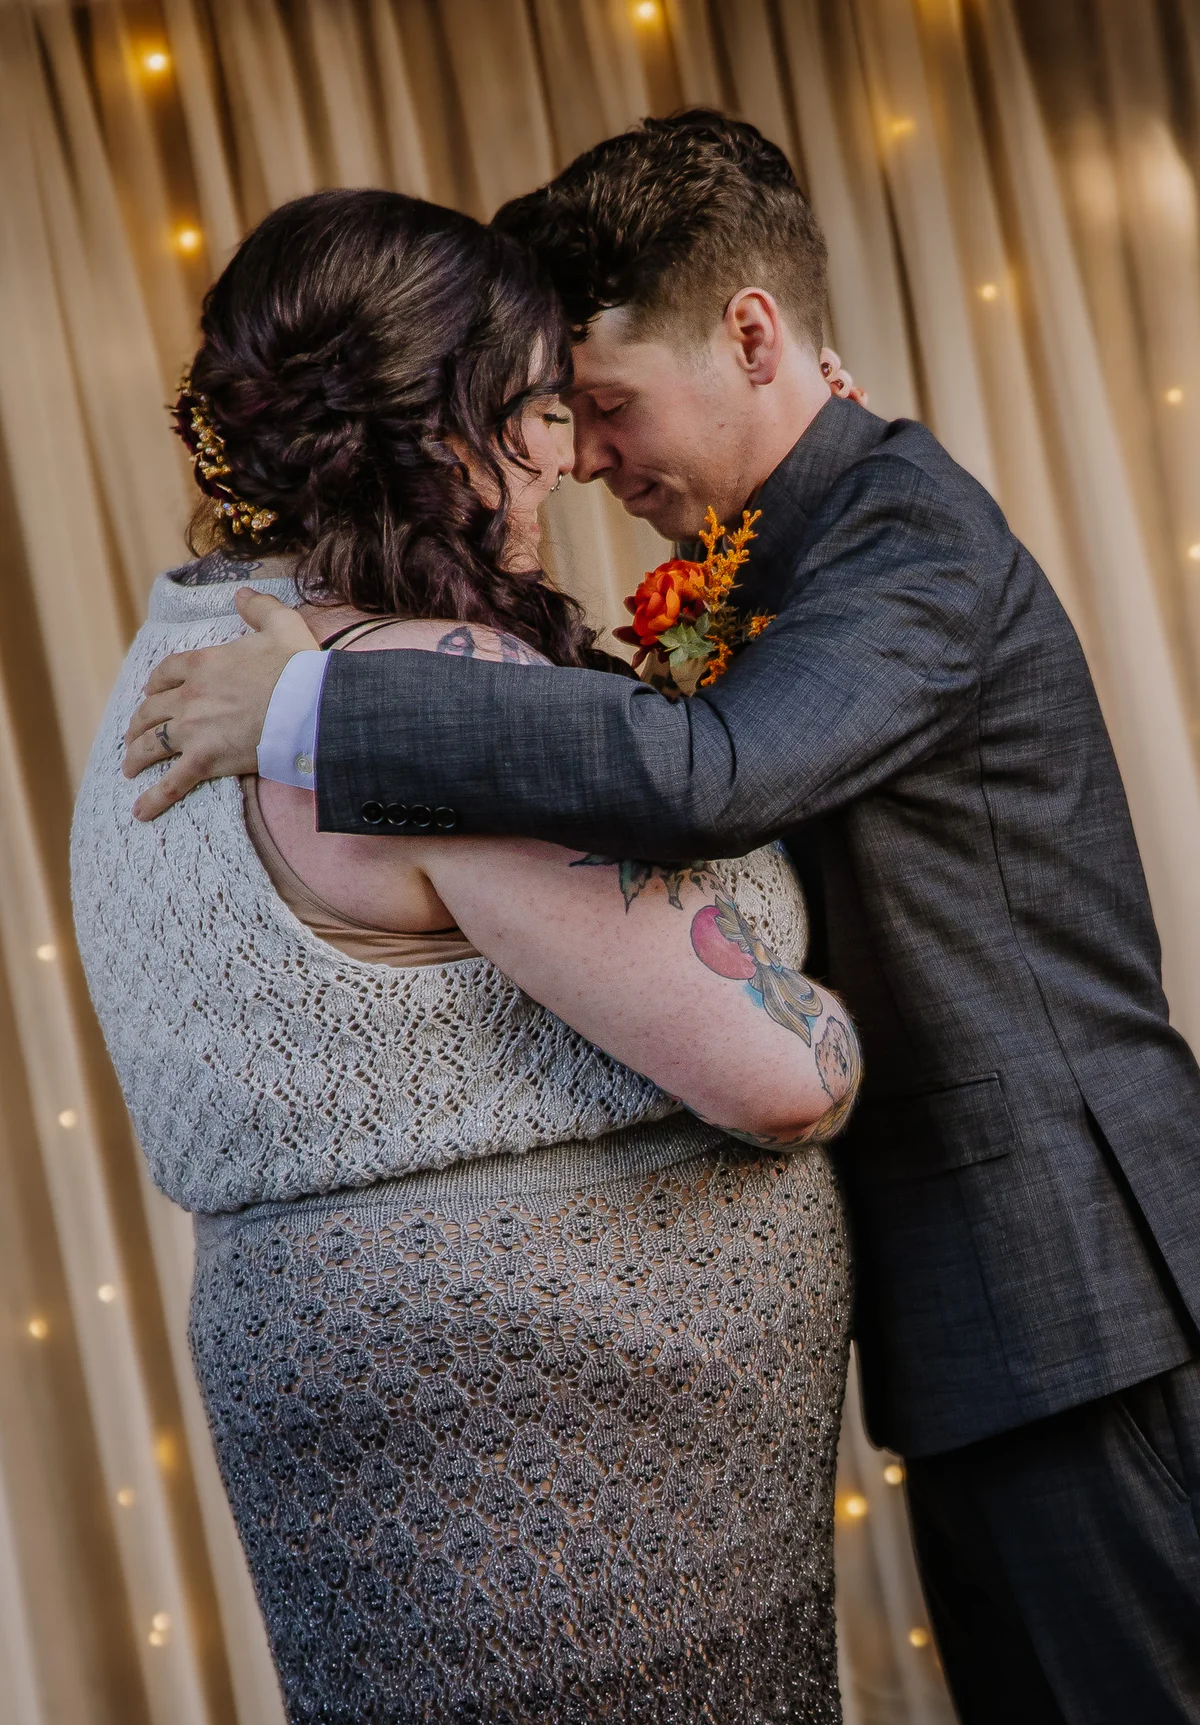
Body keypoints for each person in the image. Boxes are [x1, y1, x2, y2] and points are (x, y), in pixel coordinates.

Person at [124, 113, 1200, 1723]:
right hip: (977, 1311)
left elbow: (714, 771)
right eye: (555, 414)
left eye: (606, 403)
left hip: (1070, 1283)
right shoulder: (768, 552)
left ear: (753, 336)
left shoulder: (903, 536)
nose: (585, 455)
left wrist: (320, 713)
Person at [73, 187, 863, 1724]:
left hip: (321, 1372)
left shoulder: (178, 658)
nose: (569, 457)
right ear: (448, 423)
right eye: (539, 412)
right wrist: (831, 1017)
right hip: (566, 1452)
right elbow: (778, 1079)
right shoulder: (425, 687)